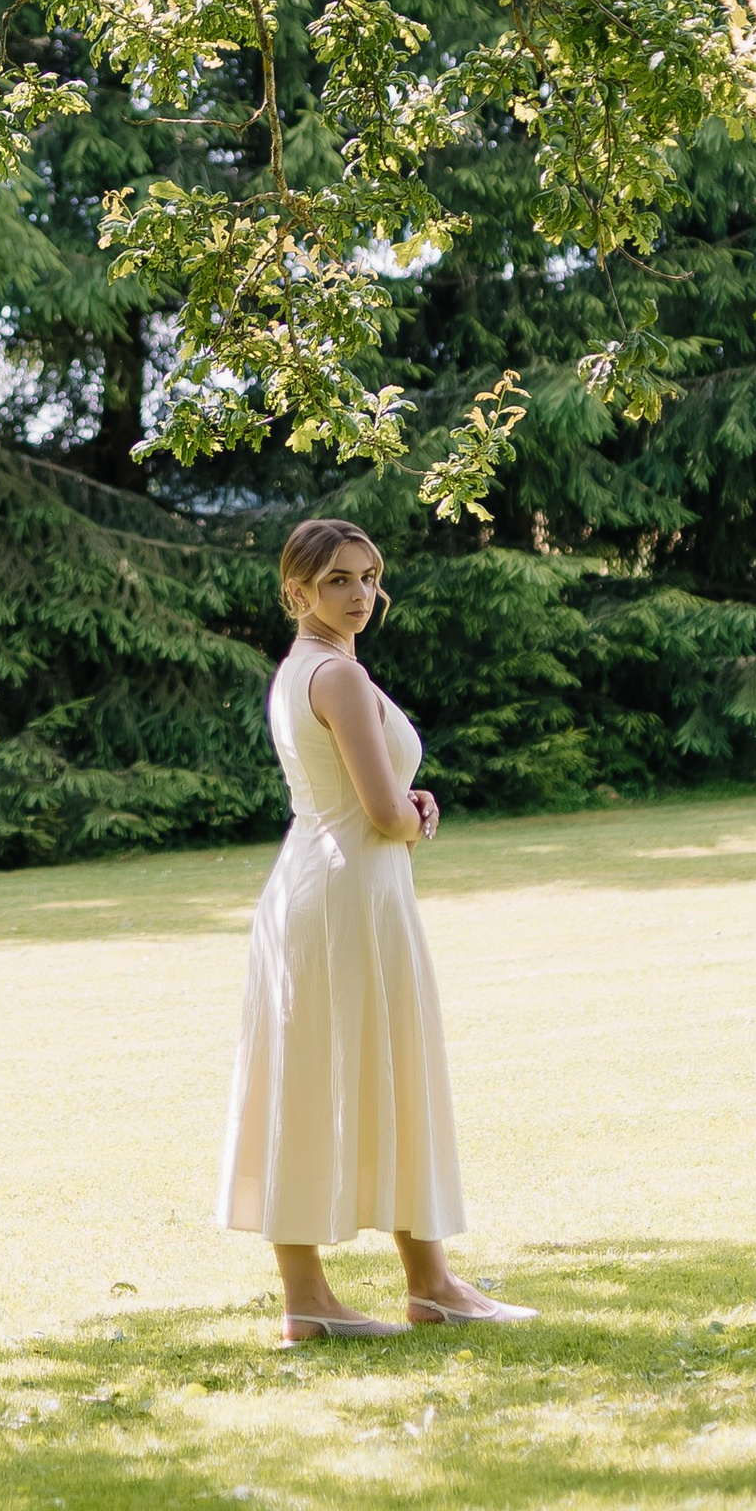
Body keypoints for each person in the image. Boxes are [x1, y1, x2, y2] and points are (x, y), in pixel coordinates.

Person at [218, 515, 536, 1343]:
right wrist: (418, 814)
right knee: (379, 1071)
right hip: (348, 896)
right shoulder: (339, 678)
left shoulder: (300, 671)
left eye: (366, 577)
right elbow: (382, 810)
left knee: (322, 1078)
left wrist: (402, 812)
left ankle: (352, 1294)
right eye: (337, 581)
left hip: (319, 889)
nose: (359, 594)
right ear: (297, 591)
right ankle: (406, 1287)